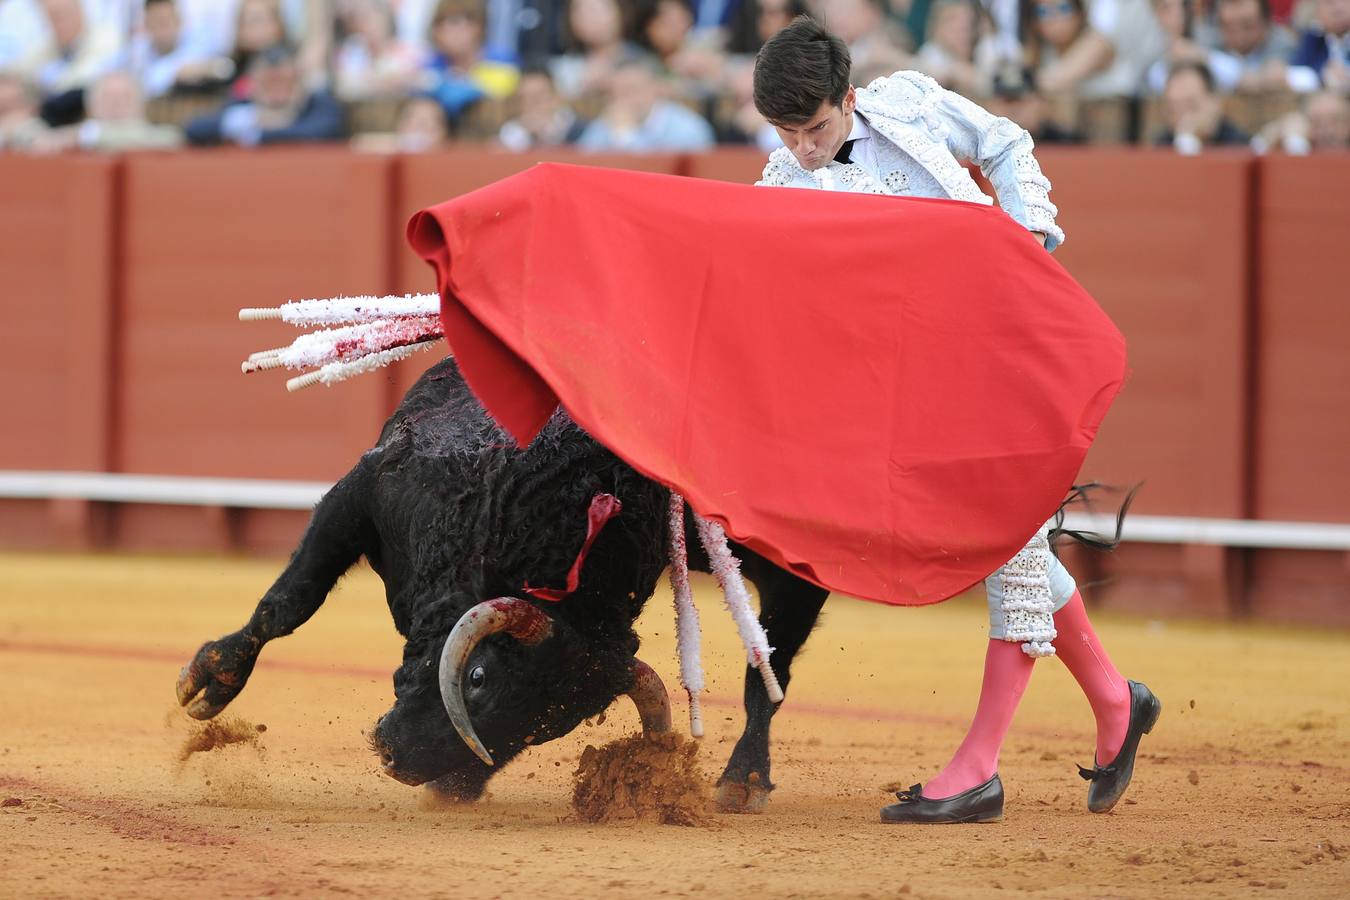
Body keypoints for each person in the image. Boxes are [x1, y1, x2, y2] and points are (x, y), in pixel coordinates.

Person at [751, 16, 1160, 824]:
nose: (801, 146)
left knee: (1009, 548)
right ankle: (1117, 702)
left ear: (849, 97)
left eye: (816, 126)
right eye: (785, 131)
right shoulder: (779, 188)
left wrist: (1027, 239)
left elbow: (1005, 140)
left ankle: (978, 769)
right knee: (1009, 541)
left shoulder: (906, 105)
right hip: (915, 389)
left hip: (1001, 349)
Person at [184, 43, 345, 146]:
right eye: (268, 84)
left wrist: (262, 132)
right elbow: (195, 129)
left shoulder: (319, 104)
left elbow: (327, 130)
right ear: (253, 84)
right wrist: (250, 119)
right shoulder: (242, 106)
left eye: (284, 82)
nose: (277, 92)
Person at [575, 54, 716, 150]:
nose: (623, 99)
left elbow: (653, 178)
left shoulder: (687, 129)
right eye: (615, 93)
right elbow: (584, 164)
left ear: (655, 89)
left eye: (632, 90)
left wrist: (625, 136)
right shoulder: (605, 125)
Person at [1155, 61, 1250, 150]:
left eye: (1190, 106)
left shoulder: (1239, 147)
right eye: (1173, 110)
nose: (1183, 119)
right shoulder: (1161, 147)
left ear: (1214, 102)